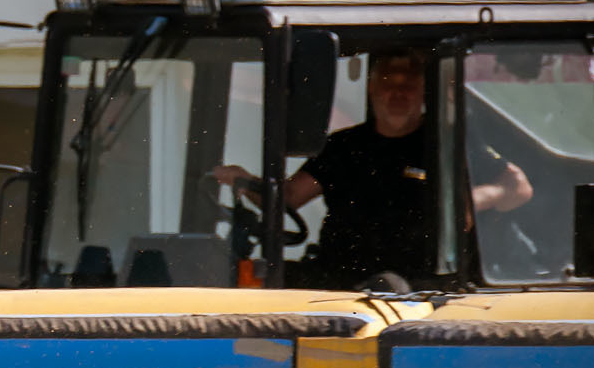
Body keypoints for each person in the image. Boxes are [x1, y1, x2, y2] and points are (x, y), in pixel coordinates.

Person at [212, 46, 532, 291]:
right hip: (338, 279)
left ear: (424, 93)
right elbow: (291, 197)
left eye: (408, 85)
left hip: (415, 288)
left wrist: (470, 200)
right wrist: (245, 182)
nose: (397, 94)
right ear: (372, 89)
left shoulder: (447, 144)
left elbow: (518, 186)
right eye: (388, 83)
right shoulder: (343, 146)